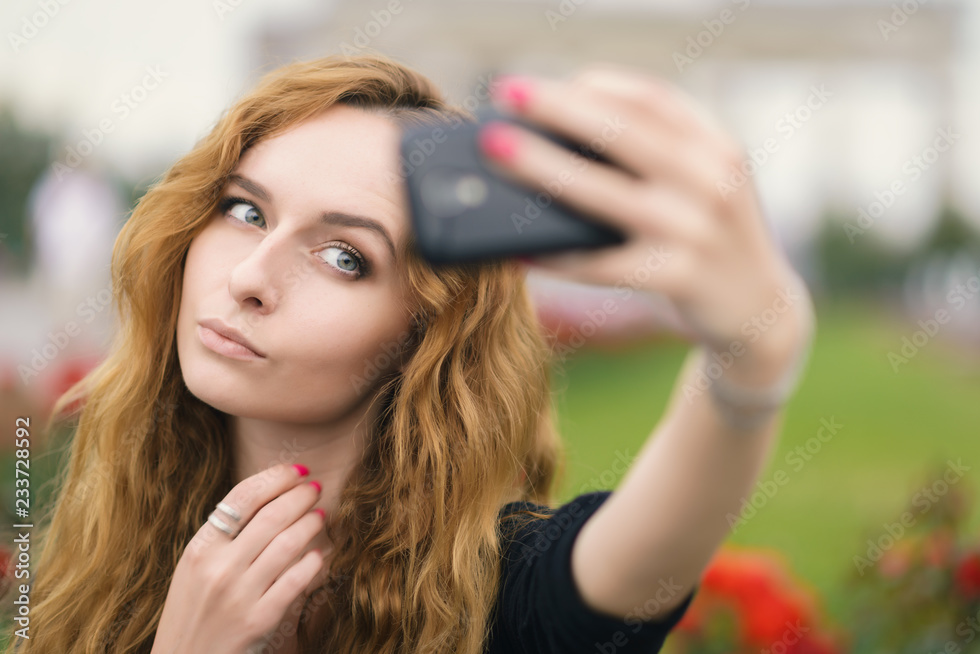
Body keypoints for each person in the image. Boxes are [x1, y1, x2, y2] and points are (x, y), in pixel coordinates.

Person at [11, 52, 815, 654]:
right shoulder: (109, 542)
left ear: (424, 333)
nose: (251, 277)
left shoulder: (504, 598)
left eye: (344, 257)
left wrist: (751, 357)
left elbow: (644, 560)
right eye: (245, 212)